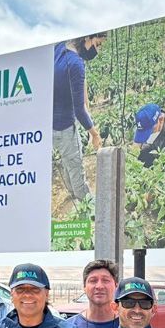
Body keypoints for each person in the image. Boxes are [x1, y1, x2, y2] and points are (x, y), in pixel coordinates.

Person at [53, 33, 106, 202]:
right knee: (75, 166)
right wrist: (94, 134)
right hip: (64, 125)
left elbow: (77, 83)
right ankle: (86, 206)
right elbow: (79, 111)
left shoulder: (61, 46)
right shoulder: (75, 64)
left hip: (50, 121)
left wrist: (85, 99)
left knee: (66, 159)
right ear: (87, 38)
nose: (97, 50)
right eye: (97, 44)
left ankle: (71, 190)